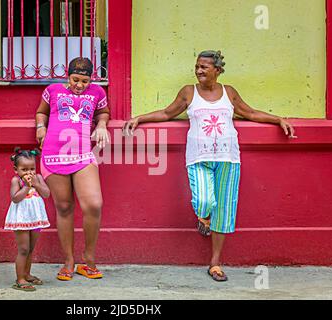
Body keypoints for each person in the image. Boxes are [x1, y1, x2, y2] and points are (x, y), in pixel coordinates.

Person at [123, 50, 296, 282]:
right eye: (197, 66)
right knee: (204, 200)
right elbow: (167, 112)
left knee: (224, 210)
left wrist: (278, 120)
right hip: (198, 158)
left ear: (217, 70)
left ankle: (215, 263)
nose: (199, 70)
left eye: (204, 67)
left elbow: (251, 113)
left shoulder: (229, 93)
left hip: (229, 159)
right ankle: (203, 217)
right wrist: (140, 118)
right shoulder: (188, 92)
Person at [35, 57, 110, 281]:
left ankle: (88, 259)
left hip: (83, 154)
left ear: (91, 79)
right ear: (67, 76)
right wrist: (40, 127)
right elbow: (42, 112)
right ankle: (68, 260)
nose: (80, 85)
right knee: (65, 207)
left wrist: (103, 125)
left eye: (85, 81)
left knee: (94, 204)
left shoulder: (98, 92)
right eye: (75, 80)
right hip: (54, 153)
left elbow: (103, 113)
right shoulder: (53, 90)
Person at [4, 147, 51, 291]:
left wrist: (36, 184)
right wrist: (26, 187)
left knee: (30, 248)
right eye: (24, 169)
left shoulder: (38, 178)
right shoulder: (16, 181)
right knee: (23, 249)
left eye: (32, 168)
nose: (29, 172)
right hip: (21, 218)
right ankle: (20, 279)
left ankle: (27, 274)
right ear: (16, 169)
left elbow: (47, 194)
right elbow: (15, 198)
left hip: (35, 217)